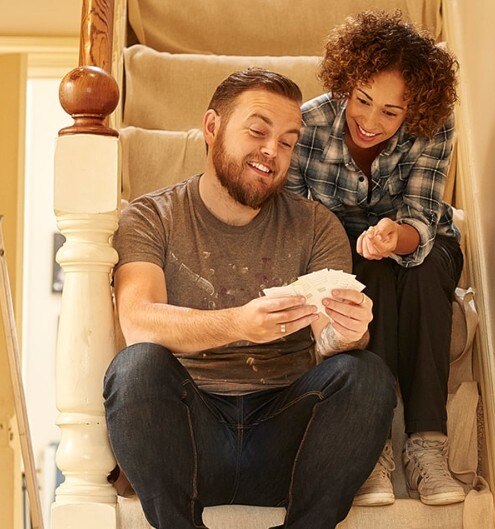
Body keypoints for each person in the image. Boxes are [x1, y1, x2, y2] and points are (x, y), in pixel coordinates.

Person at [106, 67, 395, 529]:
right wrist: (238, 323)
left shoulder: (317, 225)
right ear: (212, 127)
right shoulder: (151, 216)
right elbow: (139, 322)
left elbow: (329, 344)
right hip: (188, 439)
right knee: (135, 367)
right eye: (258, 131)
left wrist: (348, 331)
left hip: (286, 439)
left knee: (366, 373)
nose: (271, 152)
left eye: (287, 141)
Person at [286, 11, 464, 507]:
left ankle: (428, 445)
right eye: (363, 101)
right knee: (364, 277)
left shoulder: (436, 128)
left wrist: (394, 237)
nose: (370, 121)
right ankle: (372, 446)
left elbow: (424, 218)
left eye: (391, 112)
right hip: (337, 247)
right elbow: (299, 222)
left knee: (425, 269)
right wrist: (356, 249)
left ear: (415, 111)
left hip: (415, 240)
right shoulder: (308, 125)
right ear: (346, 83)